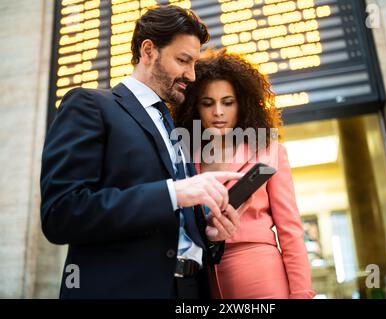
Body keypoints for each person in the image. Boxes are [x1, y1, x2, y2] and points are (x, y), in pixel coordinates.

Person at [40, 6, 247, 299]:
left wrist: (210, 235)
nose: (191, 74)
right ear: (148, 51)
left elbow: (178, 227)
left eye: (194, 63)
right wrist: (174, 194)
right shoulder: (89, 105)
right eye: (183, 60)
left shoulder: (172, 128)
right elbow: (61, 214)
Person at [173, 50, 316, 299]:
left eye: (228, 102)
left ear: (242, 104)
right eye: (208, 103)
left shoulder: (269, 151)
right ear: (194, 107)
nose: (218, 111)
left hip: (260, 274)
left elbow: (290, 231)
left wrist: (302, 294)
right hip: (204, 279)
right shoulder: (186, 159)